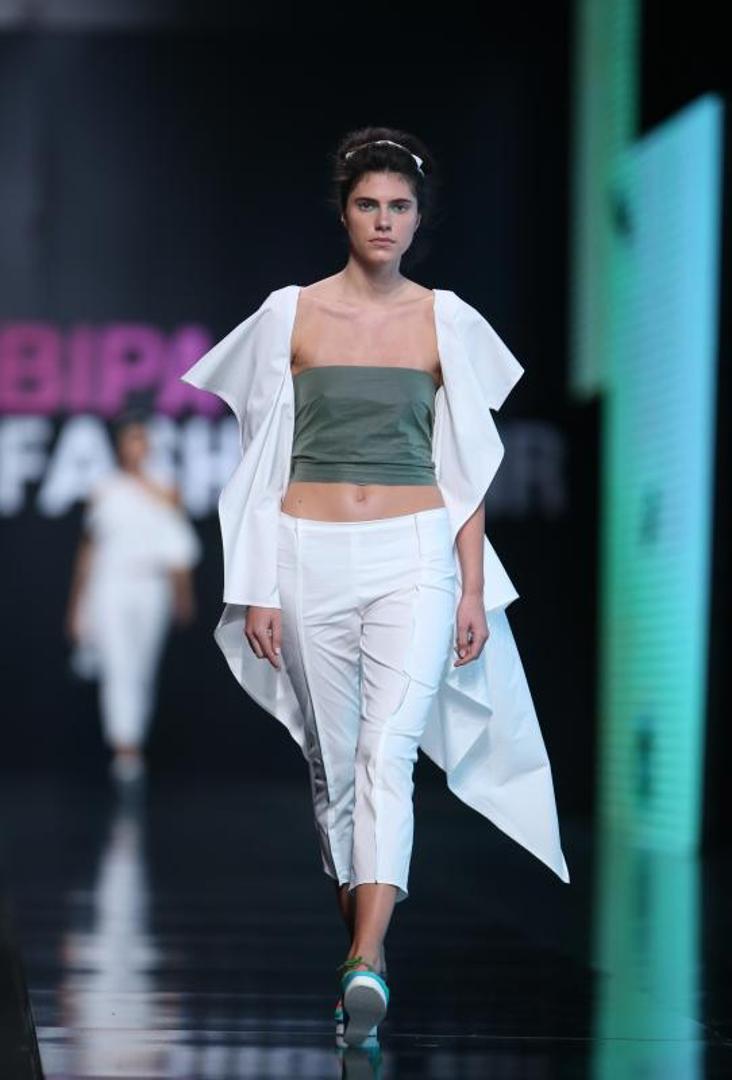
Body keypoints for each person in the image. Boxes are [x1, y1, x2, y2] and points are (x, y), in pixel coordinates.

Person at [180, 126, 570, 1050]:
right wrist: (257, 585)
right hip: (306, 553)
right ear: (344, 212)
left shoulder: (448, 320)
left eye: (399, 206)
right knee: (336, 764)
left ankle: (363, 956)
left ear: (419, 218)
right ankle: (368, 950)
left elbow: (465, 468)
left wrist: (470, 589)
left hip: (416, 555)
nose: (384, 220)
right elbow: (261, 464)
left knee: (388, 754)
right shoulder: (290, 314)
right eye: (368, 205)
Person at [65, 410, 201, 783]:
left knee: (142, 666)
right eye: (132, 438)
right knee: (118, 664)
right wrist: (76, 606)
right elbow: (89, 549)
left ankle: (133, 741)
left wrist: (183, 594)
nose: (139, 445)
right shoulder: (104, 487)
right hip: (109, 585)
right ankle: (125, 749)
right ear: (119, 444)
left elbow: (178, 545)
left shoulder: (166, 487)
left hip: (152, 586)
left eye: (143, 438)